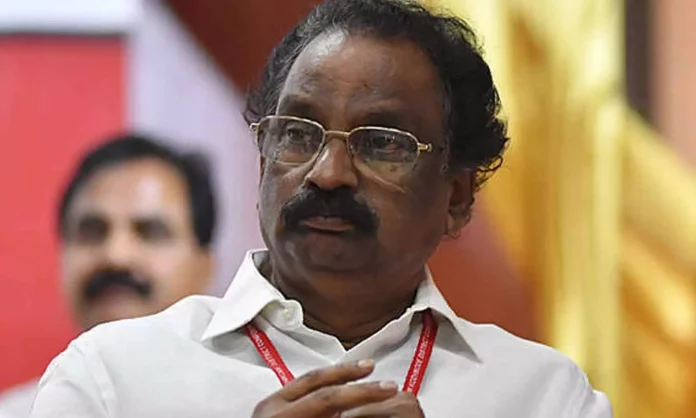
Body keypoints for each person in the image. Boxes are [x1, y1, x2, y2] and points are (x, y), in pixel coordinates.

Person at [29, 1, 612, 417]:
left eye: (381, 143)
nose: (327, 173)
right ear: (262, 163)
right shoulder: (111, 381)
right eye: (297, 134)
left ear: (456, 197)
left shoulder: (544, 397)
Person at [0, 134, 217, 418]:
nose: (116, 255)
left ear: (203, 267)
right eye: (93, 231)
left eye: (150, 232)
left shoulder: (249, 407)